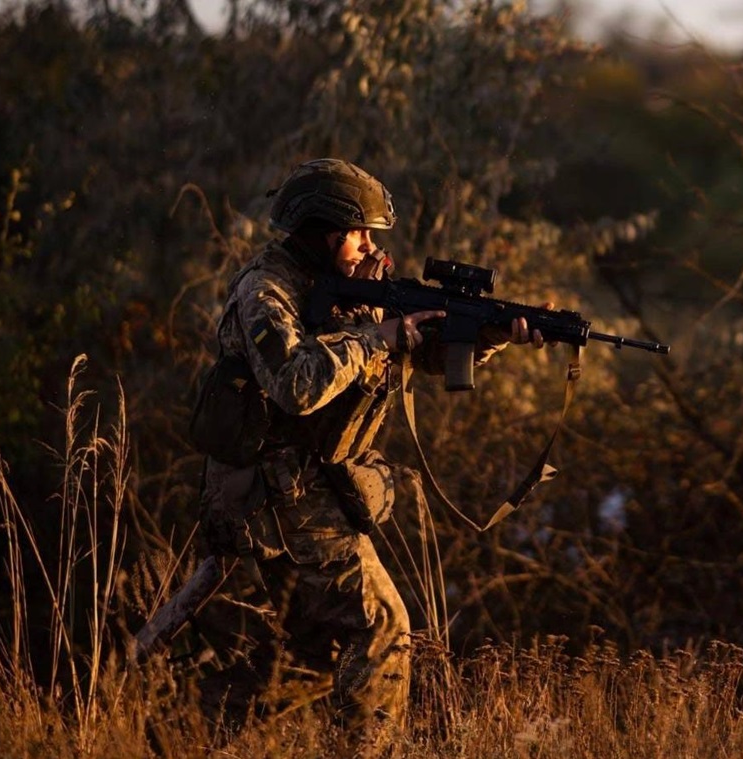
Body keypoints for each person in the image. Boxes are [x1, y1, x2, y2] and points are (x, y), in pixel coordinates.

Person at [196, 158, 543, 743]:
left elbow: (423, 355)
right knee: (383, 626)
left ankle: (185, 725)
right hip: (272, 492)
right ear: (323, 230)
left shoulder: (358, 284)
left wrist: (486, 336)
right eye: (358, 233)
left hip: (313, 487)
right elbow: (295, 385)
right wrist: (374, 337)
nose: (368, 245)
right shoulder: (266, 291)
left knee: (309, 657)